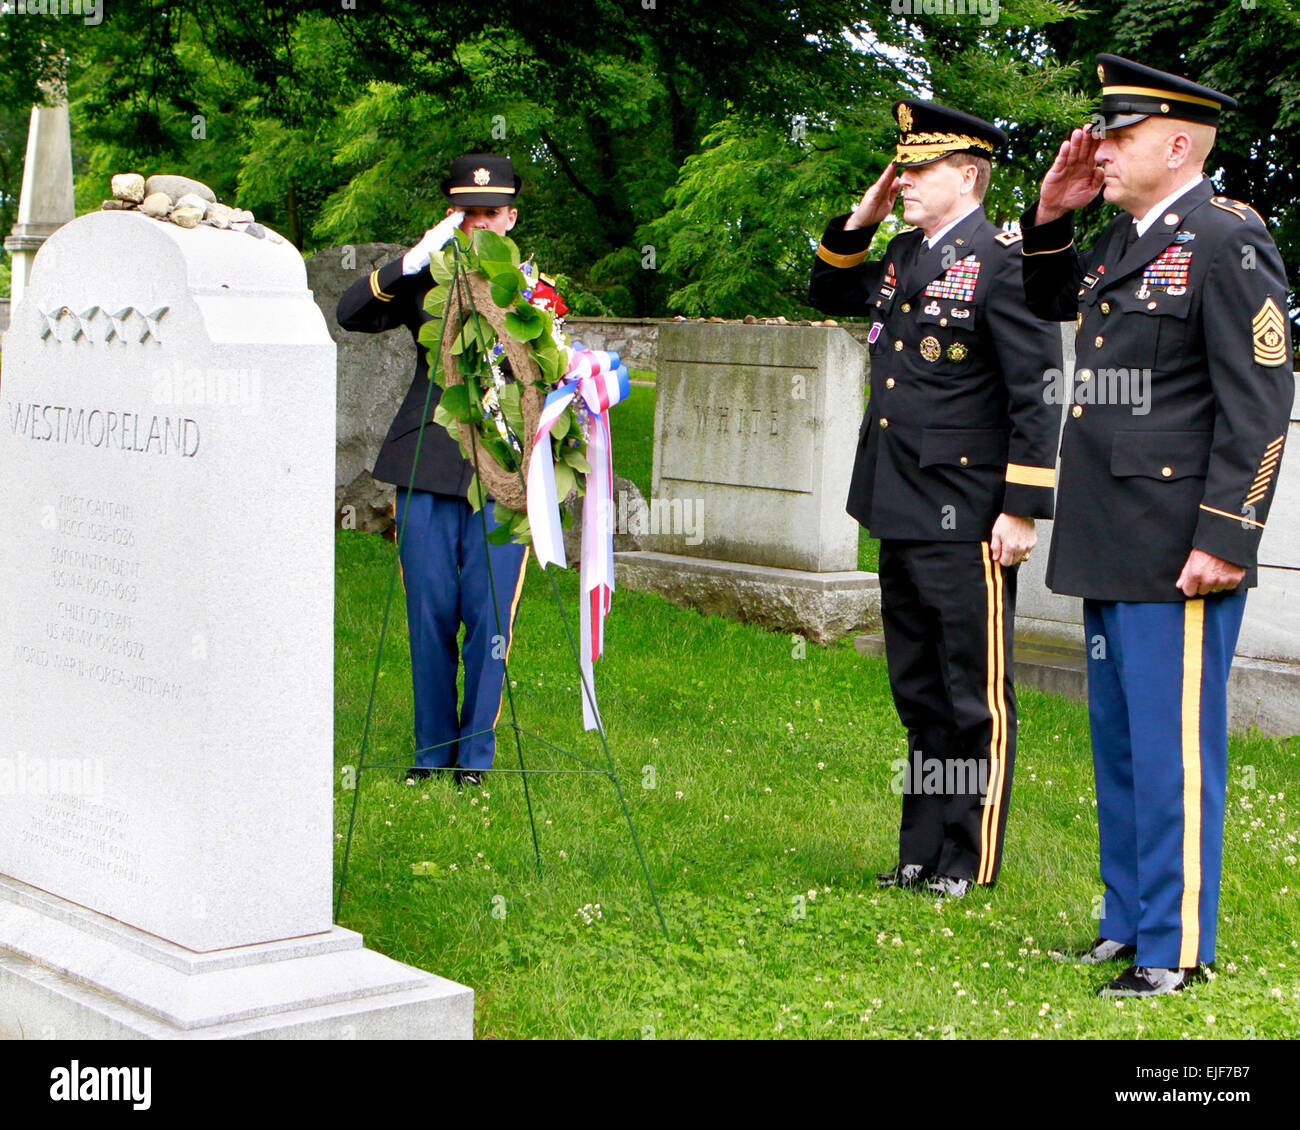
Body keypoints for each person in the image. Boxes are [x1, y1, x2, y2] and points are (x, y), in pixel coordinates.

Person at [1021, 56, 1294, 995]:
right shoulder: (1123, 239)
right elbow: (1048, 303)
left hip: (1182, 546)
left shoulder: (1226, 243)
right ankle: (1128, 920)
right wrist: (1052, 215)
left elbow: (1259, 405)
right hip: (1114, 536)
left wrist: (1227, 534)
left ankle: (1174, 949)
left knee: (1175, 750)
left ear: (1178, 145)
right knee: (1124, 743)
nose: (1099, 147)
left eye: (1120, 136)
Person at [809, 101, 1062, 899]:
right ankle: (920, 853)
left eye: (918, 170)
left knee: (971, 696)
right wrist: (861, 218)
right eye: (902, 168)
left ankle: (966, 859)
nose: (904, 181)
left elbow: (1036, 393)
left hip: (968, 516)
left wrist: (1020, 508)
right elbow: (827, 291)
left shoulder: (1005, 262)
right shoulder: (902, 255)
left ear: (967, 174)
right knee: (919, 692)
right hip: (899, 503)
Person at [337, 153, 535, 790]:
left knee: (488, 615)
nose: (477, 222)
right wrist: (412, 260)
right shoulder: (424, 280)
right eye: (465, 212)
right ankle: (431, 751)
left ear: (509, 216)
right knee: (429, 610)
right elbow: (350, 314)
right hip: (426, 459)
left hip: (502, 472)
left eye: (489, 212)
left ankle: (473, 756)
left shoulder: (533, 290)